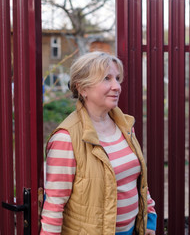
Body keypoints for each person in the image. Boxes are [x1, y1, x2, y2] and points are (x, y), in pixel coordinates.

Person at [40, 51, 157, 235]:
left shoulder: (125, 126)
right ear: (82, 88)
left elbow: (138, 181)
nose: (117, 86)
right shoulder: (67, 138)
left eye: (117, 78)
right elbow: (55, 204)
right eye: (106, 79)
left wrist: (148, 219)